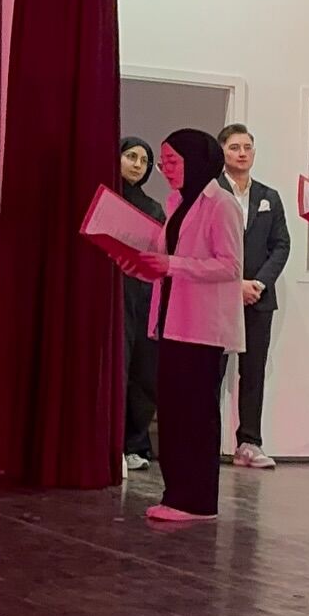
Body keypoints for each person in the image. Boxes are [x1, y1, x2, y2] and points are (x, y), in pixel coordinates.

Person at [114, 129, 244, 523]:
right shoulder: (176, 203)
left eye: (173, 161)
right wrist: (142, 265)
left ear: (196, 161)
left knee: (196, 416)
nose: (165, 169)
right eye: (164, 162)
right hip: (171, 321)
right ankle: (176, 494)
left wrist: (170, 265)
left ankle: (199, 501)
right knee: (172, 413)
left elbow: (230, 266)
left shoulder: (221, 204)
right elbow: (167, 261)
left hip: (202, 327)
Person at [217, 123, 291, 470]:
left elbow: (281, 245)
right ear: (222, 152)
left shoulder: (268, 196)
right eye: (234, 147)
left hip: (258, 298)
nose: (242, 153)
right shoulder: (211, 193)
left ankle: (249, 442)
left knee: (254, 371)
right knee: (213, 370)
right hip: (219, 296)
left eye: (247, 147)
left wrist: (258, 283)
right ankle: (205, 440)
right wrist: (235, 285)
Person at [119, 137, 165, 472]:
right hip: (114, 293)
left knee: (143, 372)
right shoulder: (106, 197)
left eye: (144, 160)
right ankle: (109, 444)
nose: (137, 164)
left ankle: (135, 444)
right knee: (116, 368)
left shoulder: (153, 208)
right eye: (131, 156)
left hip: (144, 295)